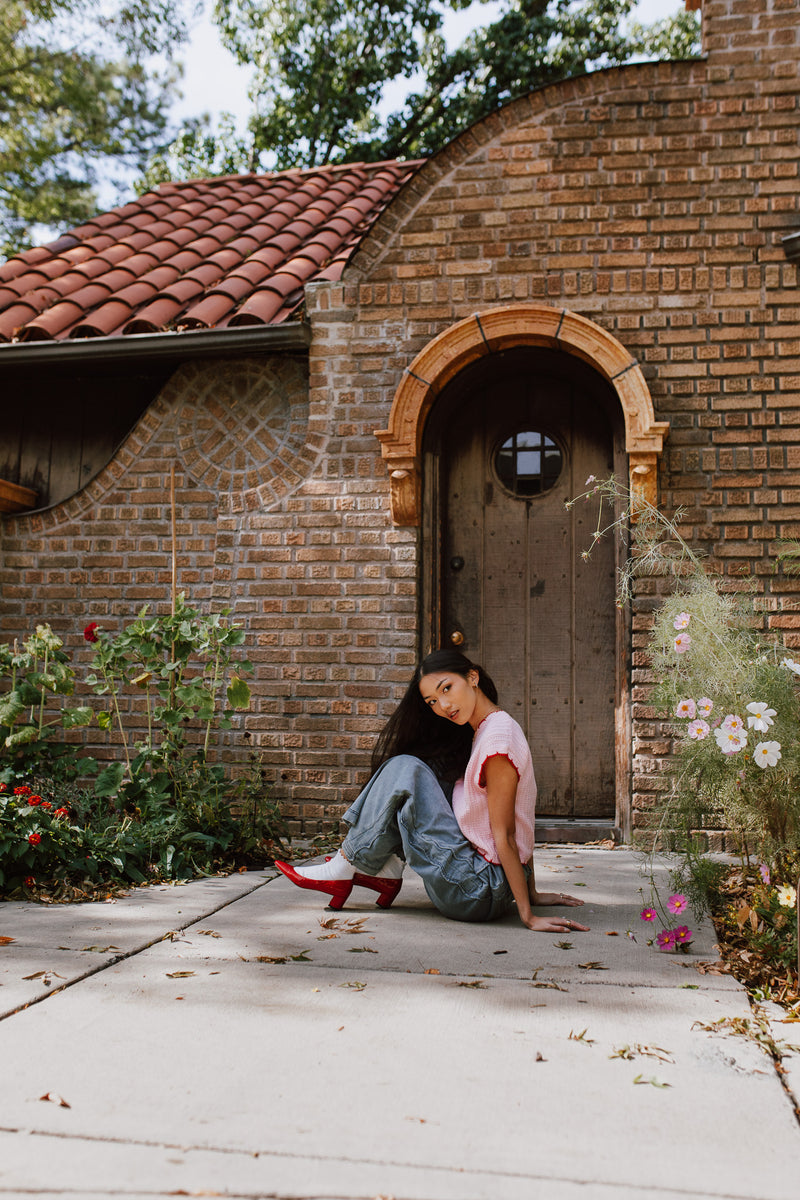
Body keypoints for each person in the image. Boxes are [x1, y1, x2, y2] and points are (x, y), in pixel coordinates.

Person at [274, 649, 589, 933]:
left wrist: (528, 915)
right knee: (426, 771)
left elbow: (506, 834)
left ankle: (346, 866)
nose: (444, 706)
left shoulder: (497, 742)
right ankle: (385, 868)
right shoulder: (491, 729)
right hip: (484, 883)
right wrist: (532, 892)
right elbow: (524, 819)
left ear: (472, 677)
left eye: (447, 688)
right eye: (433, 702)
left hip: (476, 890)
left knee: (406, 769)